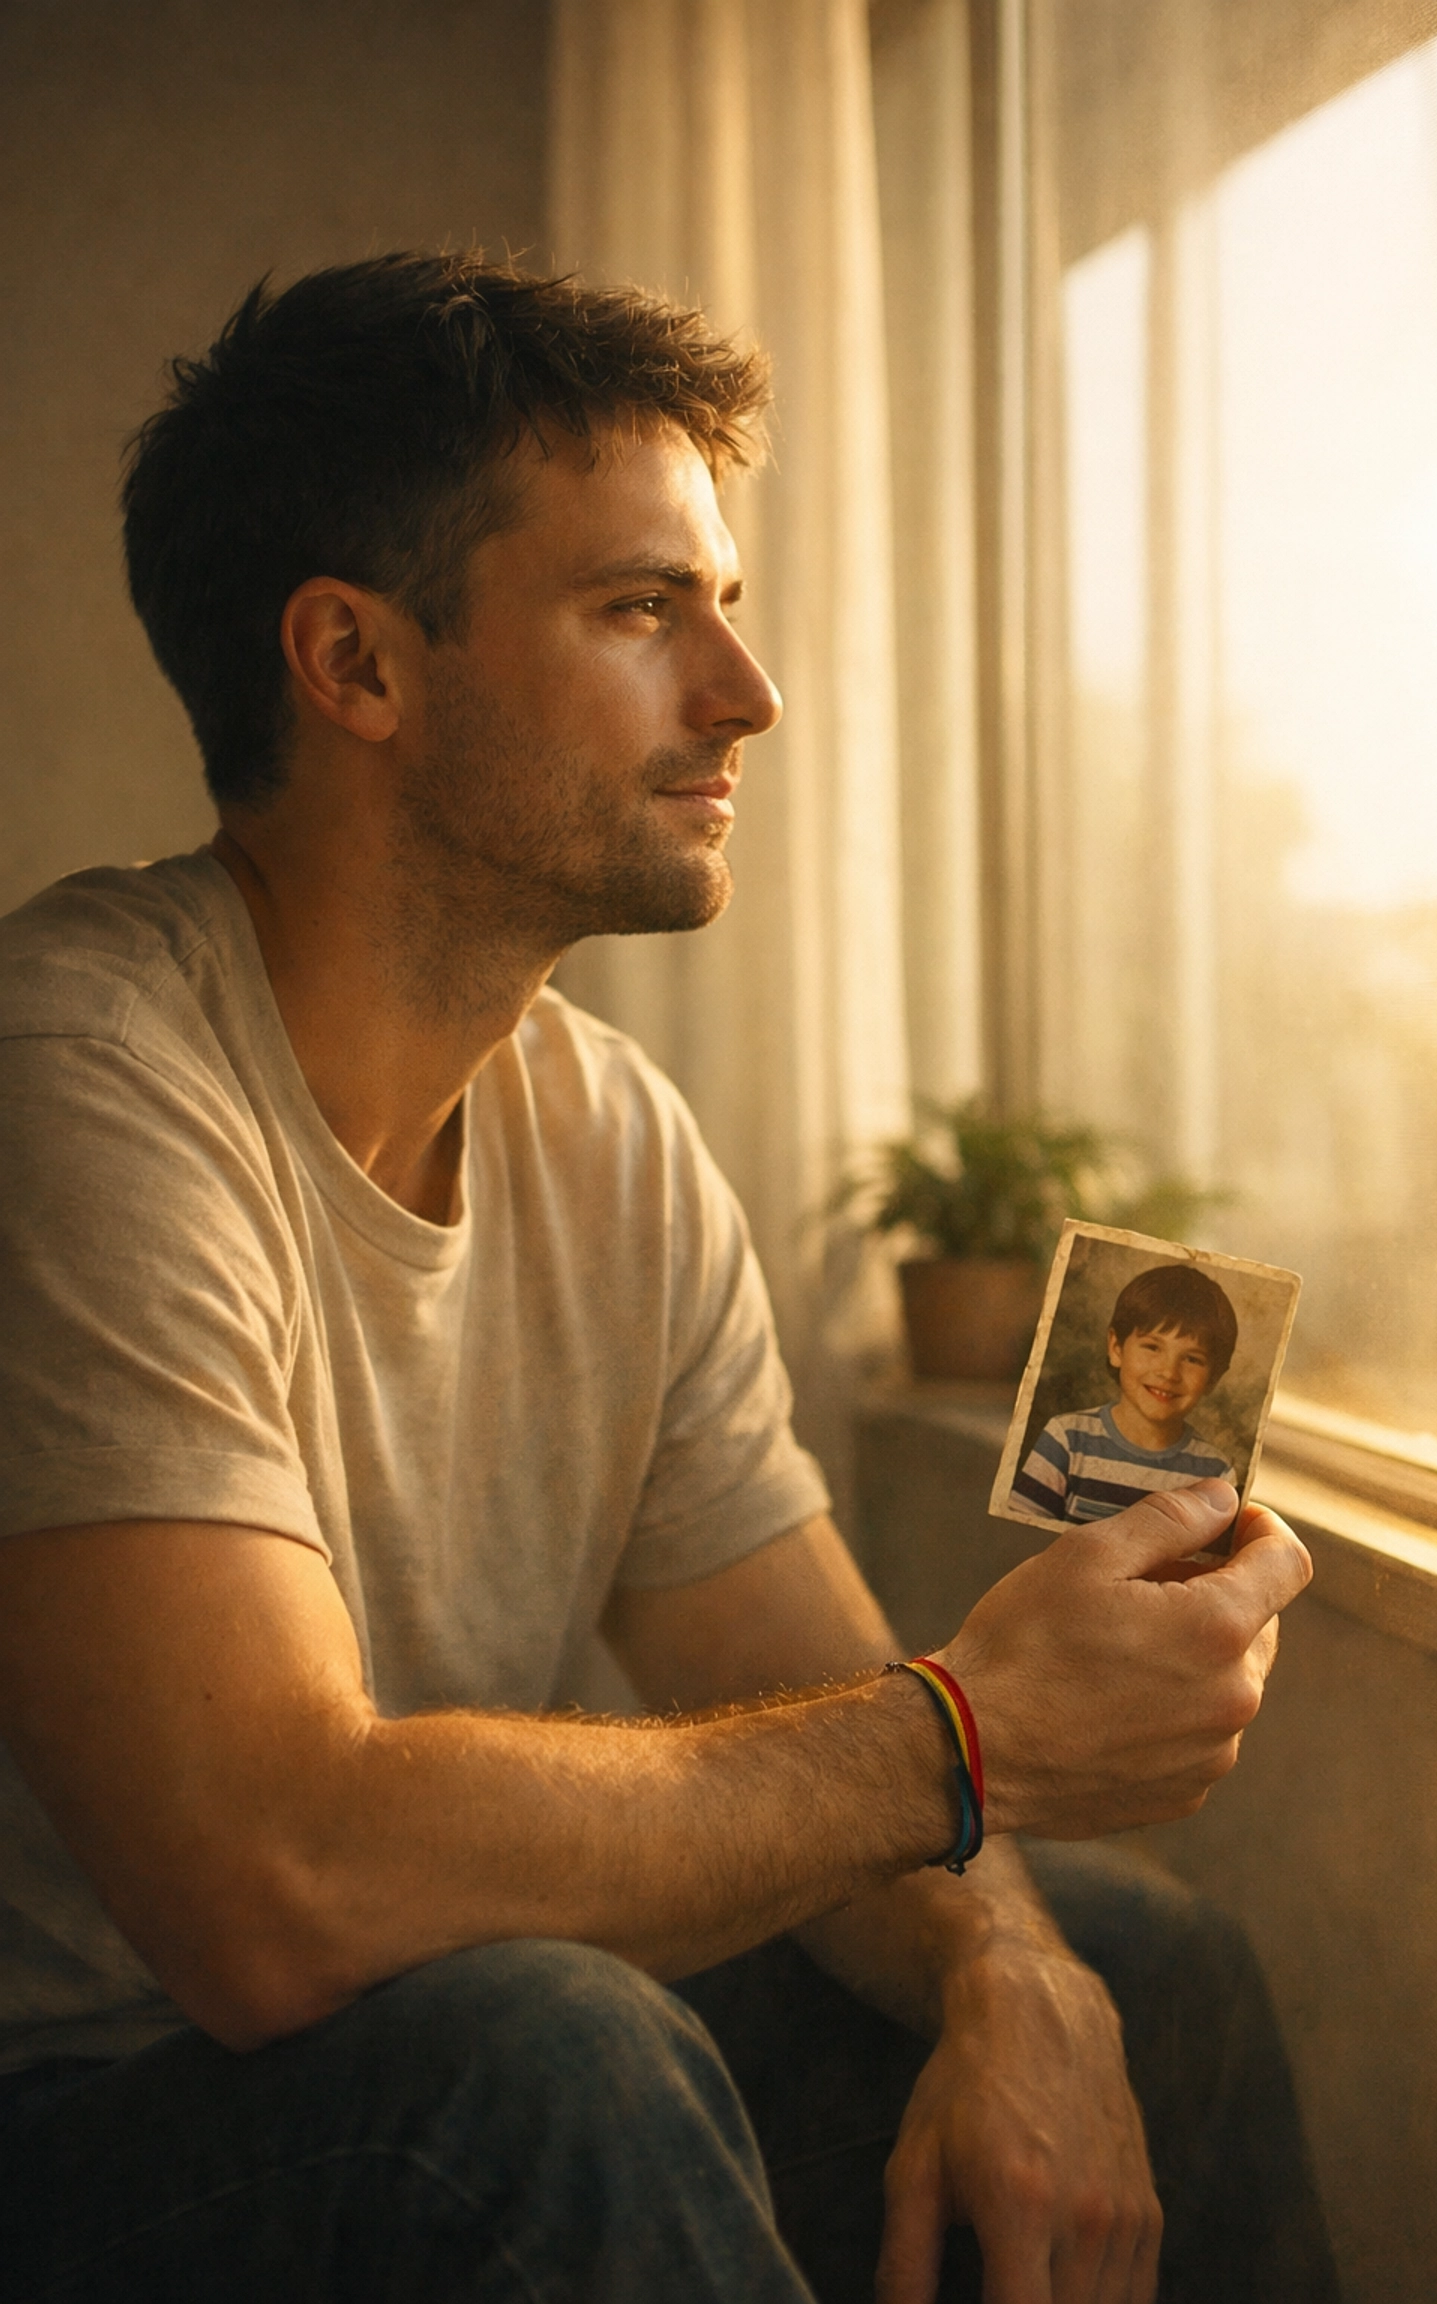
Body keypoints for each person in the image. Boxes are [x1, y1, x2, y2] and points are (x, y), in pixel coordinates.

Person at [0, 253, 1335, 2304]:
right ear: (354, 664)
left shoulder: (607, 1133)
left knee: (1134, 1963)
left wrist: (1011, 1968)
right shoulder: (80, 1086)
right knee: (541, 2055)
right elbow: (266, 1888)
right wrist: (967, 1739)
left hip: (427, 2019)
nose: (748, 690)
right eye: (643, 608)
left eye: (720, 600)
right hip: (94, 2111)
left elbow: (784, 1685)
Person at [1014, 1266, 1240, 1527]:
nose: (1169, 1372)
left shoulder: (1216, 1476)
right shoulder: (1066, 1439)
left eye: (1192, 1359)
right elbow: (1021, 1537)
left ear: (1213, 1377)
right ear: (1116, 1348)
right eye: (1153, 1347)